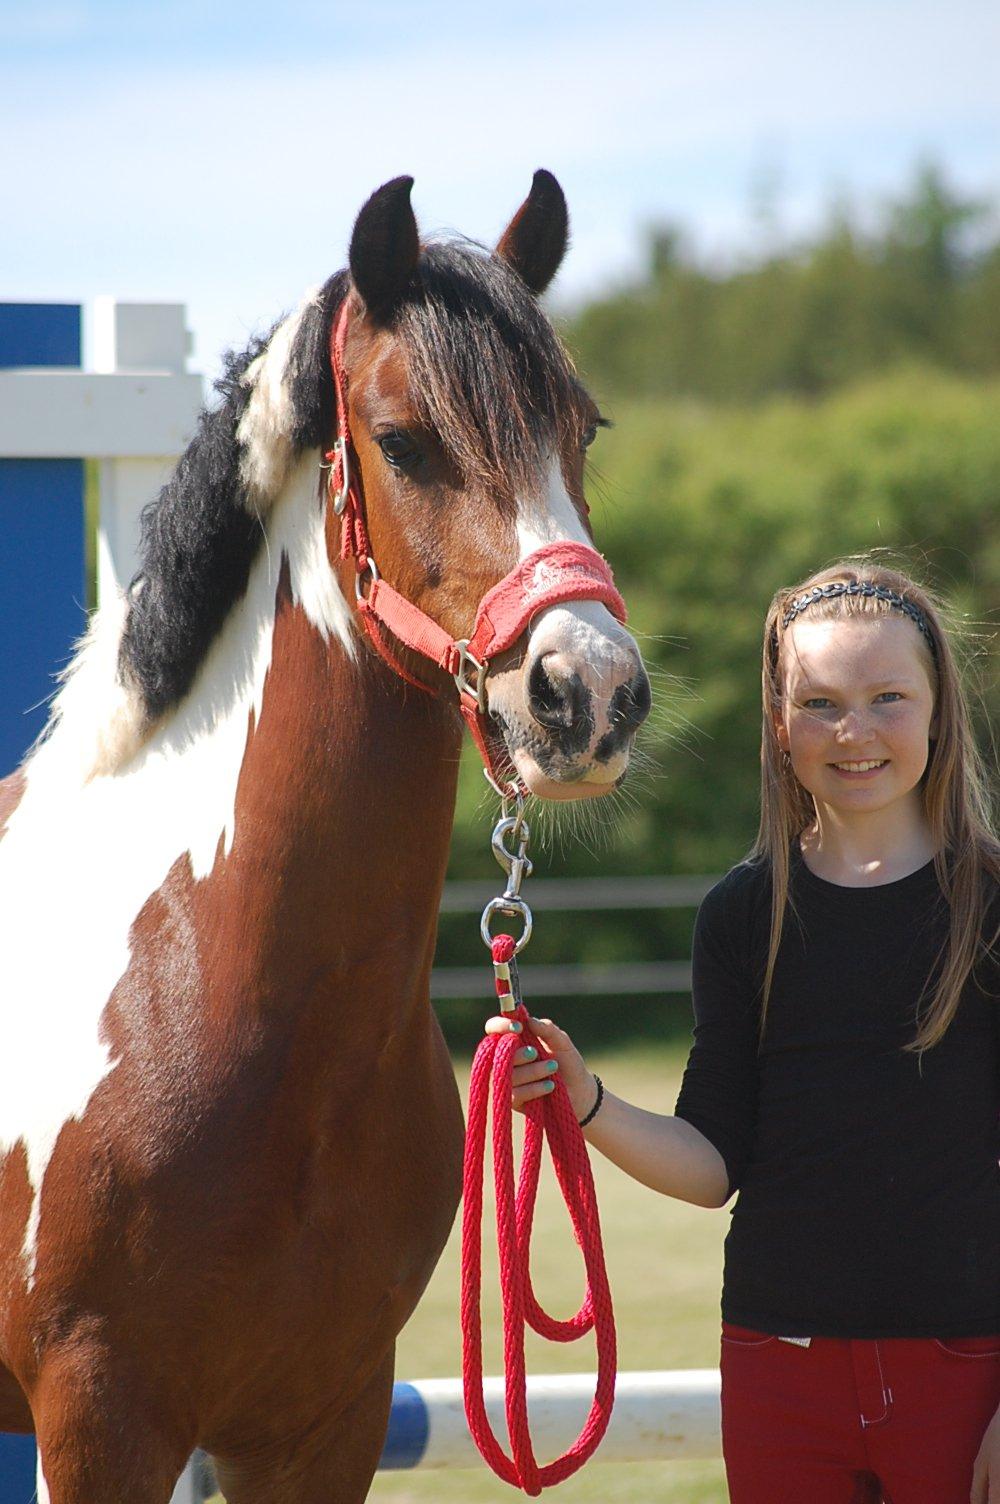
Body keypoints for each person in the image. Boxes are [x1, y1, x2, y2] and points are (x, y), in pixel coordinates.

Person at [486, 560, 1000, 1504]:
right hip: (776, 1366)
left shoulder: (990, 904)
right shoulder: (742, 914)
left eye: (889, 696)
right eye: (820, 703)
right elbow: (715, 1161)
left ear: (939, 712)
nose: (854, 731)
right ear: (779, 722)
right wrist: (584, 1101)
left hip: (968, 1365)